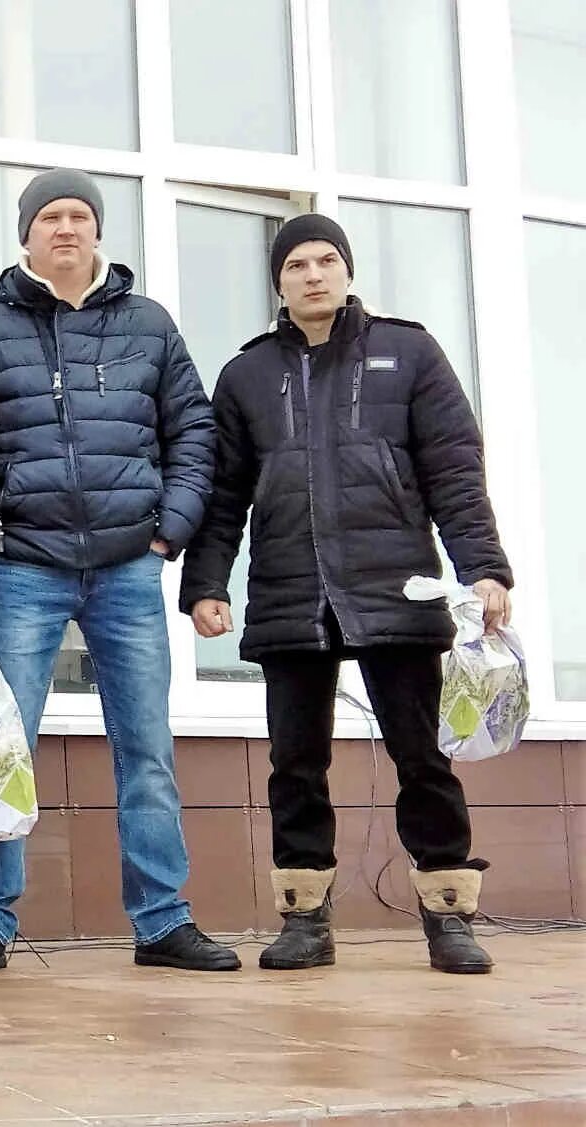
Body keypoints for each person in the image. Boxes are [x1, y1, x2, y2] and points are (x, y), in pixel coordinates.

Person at [180, 214, 512, 975]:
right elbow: (225, 491)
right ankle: (304, 918)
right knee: (295, 763)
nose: (313, 274)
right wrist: (205, 583)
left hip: (395, 586)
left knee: (422, 757)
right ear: (279, 280)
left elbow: (455, 468)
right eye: (296, 263)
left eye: (327, 259)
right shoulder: (247, 375)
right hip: (292, 593)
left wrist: (483, 566)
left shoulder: (410, 352)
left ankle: (449, 915)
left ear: (347, 270)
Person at [0, 168, 237, 975]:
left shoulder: (149, 326)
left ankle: (164, 920)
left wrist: (167, 534)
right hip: (17, 569)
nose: (65, 228)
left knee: (147, 747)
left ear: (97, 231)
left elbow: (195, 434)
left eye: (79, 215)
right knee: (3, 747)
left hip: (127, 570)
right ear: (26, 234)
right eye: (49, 217)